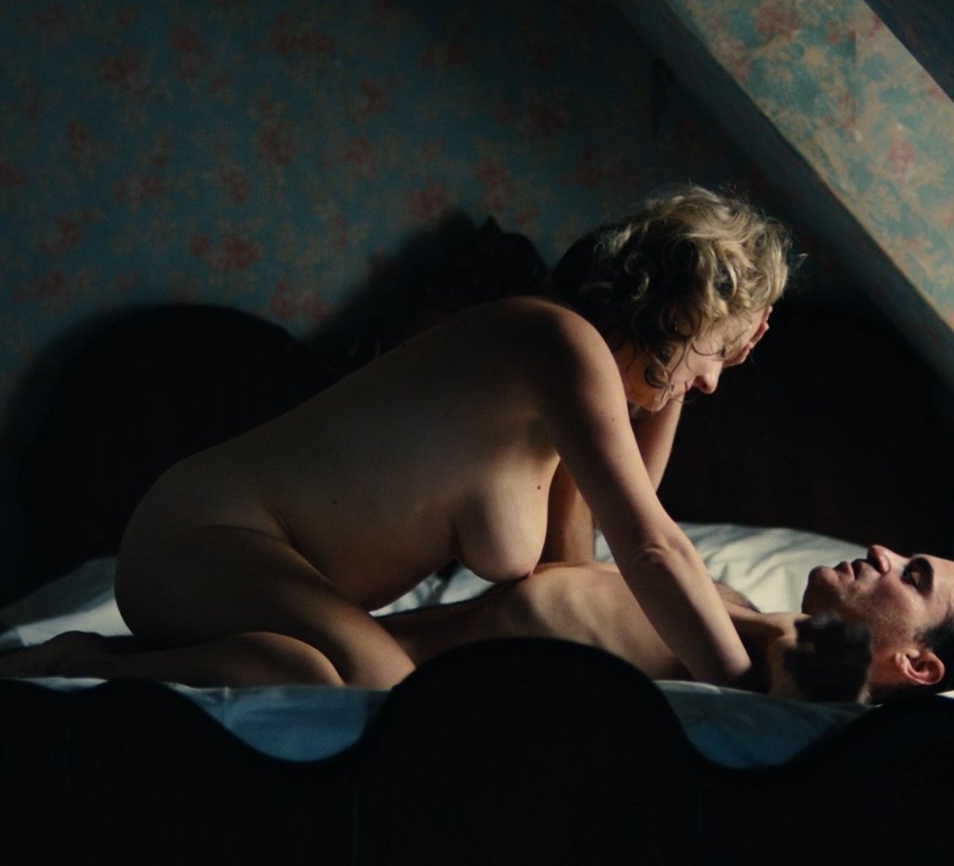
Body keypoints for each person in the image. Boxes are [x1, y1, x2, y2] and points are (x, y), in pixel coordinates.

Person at [104, 185, 792, 689]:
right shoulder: (555, 342)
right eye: (719, 350)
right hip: (202, 534)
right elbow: (651, 548)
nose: (712, 382)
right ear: (678, 316)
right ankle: (79, 666)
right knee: (377, 680)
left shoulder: (566, 404)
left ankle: (125, 665)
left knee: (310, 670)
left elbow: (586, 559)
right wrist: (745, 690)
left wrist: (704, 358)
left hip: (252, 564)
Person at [377, 542, 954, 702]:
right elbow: (577, 562)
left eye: (912, 577)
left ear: (917, 663)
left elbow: (802, 684)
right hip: (374, 644)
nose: (881, 552)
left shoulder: (779, 659)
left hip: (370, 685)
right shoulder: (733, 610)